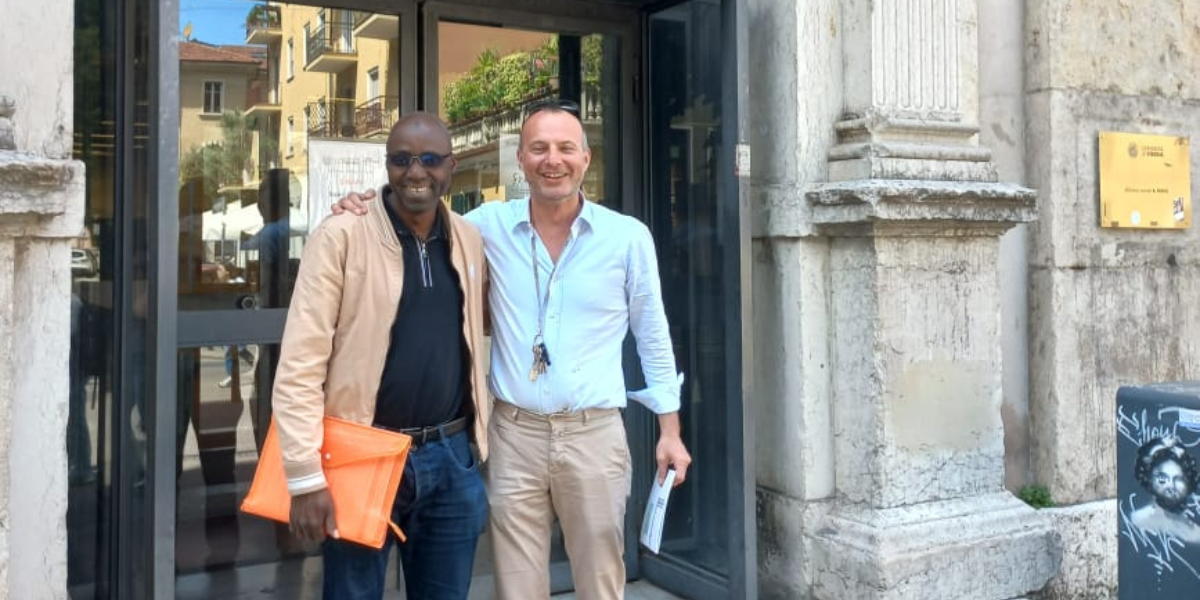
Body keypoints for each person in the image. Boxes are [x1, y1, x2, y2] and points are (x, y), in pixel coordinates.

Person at [333, 100, 692, 600]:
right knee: (517, 588)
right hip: (513, 435)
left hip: (593, 434)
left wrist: (669, 432)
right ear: (520, 159)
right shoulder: (485, 226)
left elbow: (653, 336)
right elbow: (418, 202)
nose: (553, 159)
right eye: (539, 148)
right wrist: (365, 203)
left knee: (600, 582)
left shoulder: (627, 238)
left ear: (586, 158)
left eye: (566, 147)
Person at [273, 112, 490, 600]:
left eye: (430, 159)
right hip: (361, 455)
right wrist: (305, 477)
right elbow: (300, 365)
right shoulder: (341, 235)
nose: (416, 172)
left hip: (452, 459)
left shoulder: (470, 240)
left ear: (450, 166)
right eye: (401, 159)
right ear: (386, 165)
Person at [1130, 436, 1200, 543]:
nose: (1170, 486)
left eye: (1178, 479)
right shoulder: (1136, 520)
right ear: (1148, 478)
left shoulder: (1195, 534)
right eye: (1162, 478)